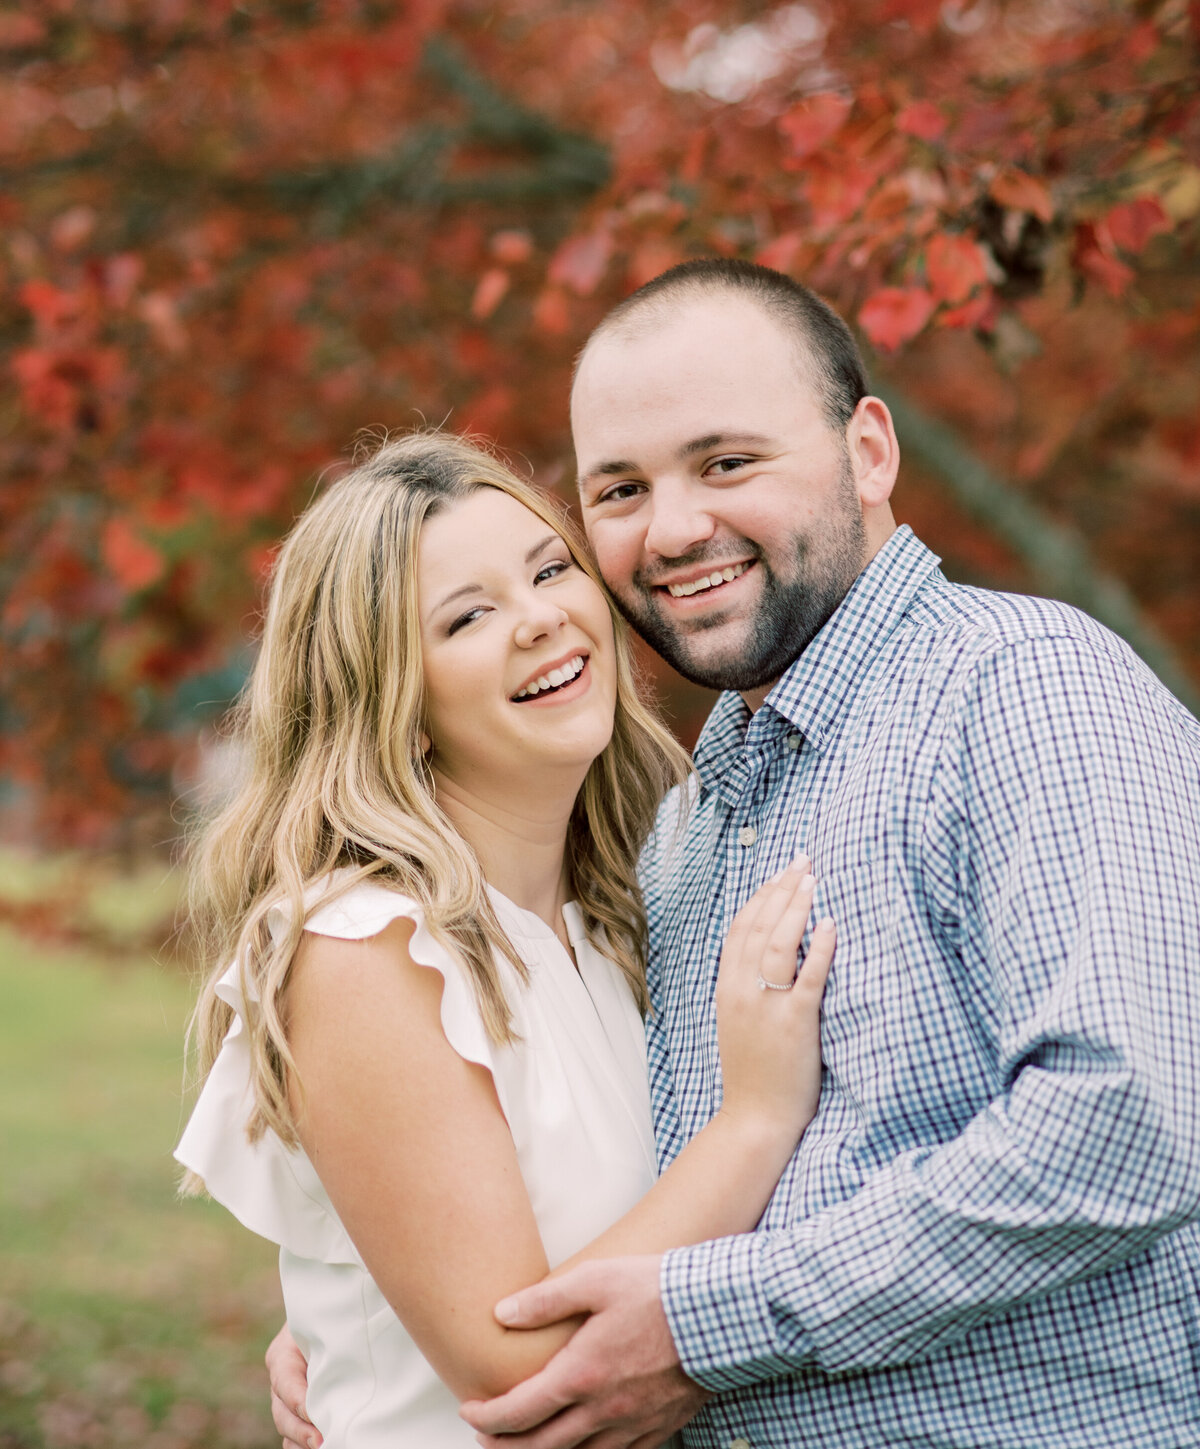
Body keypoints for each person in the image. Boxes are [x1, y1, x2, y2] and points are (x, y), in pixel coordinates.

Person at [268, 259, 1200, 1449]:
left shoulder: (1020, 689)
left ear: (868, 451)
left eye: (726, 462)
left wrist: (710, 1326)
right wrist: (373, 1316)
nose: (674, 529)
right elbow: (605, 1180)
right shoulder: (687, 829)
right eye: (618, 489)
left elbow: (1135, 1121)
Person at [175, 430, 837, 1449]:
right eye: (468, 615)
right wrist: (752, 1119)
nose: (540, 618)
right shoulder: (362, 946)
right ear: (392, 697)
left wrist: (380, 1302)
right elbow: (527, 1375)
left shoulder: (627, 907)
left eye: (549, 567)